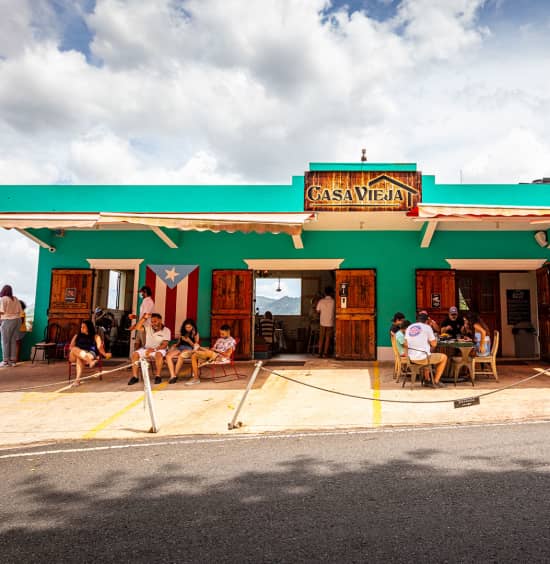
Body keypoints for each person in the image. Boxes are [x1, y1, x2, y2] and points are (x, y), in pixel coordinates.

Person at [404, 312, 447, 387]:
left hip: (410, 357)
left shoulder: (410, 327)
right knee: (444, 357)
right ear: (427, 321)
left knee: (427, 353)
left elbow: (406, 344)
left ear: (417, 320)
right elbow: (434, 344)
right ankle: (435, 381)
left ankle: (427, 380)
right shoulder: (427, 327)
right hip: (423, 358)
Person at [128, 313, 171, 386]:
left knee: (158, 354)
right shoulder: (148, 327)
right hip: (147, 349)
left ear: (160, 320)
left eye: (155, 321)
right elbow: (138, 327)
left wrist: (154, 349)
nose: (153, 323)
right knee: (135, 354)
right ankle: (135, 377)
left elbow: (164, 344)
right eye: (152, 321)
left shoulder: (166, 330)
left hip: (159, 349)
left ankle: (158, 376)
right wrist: (144, 318)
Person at [69, 320, 112, 386]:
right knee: (75, 349)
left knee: (79, 358)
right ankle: (90, 362)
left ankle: (77, 380)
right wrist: (79, 352)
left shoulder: (96, 336)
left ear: (89, 328)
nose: (81, 328)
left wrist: (104, 354)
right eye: (81, 327)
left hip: (90, 353)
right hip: (76, 353)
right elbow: (71, 346)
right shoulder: (77, 336)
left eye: (84, 327)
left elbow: (99, 347)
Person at [166, 318, 200, 384]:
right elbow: (179, 343)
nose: (187, 328)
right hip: (180, 347)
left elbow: (195, 346)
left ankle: (174, 376)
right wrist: (175, 345)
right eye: (186, 327)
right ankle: (173, 375)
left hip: (189, 348)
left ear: (193, 326)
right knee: (168, 356)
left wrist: (189, 341)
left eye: (189, 327)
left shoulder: (195, 333)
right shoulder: (182, 332)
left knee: (181, 356)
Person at [0, 285, 23, 367]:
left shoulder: (3, 299)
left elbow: (1, 312)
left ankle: (5, 361)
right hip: (17, 320)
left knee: (5, 341)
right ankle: (12, 361)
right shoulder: (15, 298)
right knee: (13, 340)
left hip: (8, 320)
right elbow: (20, 311)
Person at [129, 286, 155, 350]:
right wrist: (135, 317)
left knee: (144, 344)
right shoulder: (144, 301)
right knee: (137, 343)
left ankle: (144, 358)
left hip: (145, 327)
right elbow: (143, 315)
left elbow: (145, 316)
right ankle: (135, 358)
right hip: (141, 326)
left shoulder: (148, 302)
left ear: (145, 292)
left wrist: (135, 325)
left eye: (141, 292)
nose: (140, 294)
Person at [316, 286, 335, 358]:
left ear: (325, 293)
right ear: (331, 293)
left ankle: (319, 353)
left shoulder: (321, 301)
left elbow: (317, 311)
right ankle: (325, 353)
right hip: (330, 322)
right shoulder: (333, 301)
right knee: (327, 338)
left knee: (321, 337)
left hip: (322, 322)